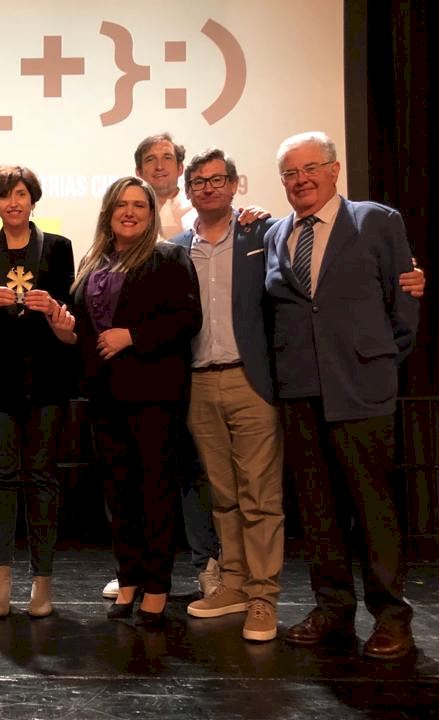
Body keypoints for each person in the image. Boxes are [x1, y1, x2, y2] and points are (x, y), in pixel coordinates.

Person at [265, 131, 419, 659]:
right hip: (300, 391)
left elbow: (404, 303)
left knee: (373, 508)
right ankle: (332, 609)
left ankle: (391, 616)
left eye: (310, 168)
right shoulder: (276, 233)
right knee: (318, 510)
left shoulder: (376, 221)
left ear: (334, 170)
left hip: (361, 387)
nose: (301, 180)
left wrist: (379, 363)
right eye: (290, 173)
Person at [71, 176, 202, 626]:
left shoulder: (169, 257)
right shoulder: (92, 262)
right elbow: (86, 329)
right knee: (118, 494)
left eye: (139, 206)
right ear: (108, 213)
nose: (129, 212)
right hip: (104, 397)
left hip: (154, 395)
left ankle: (157, 587)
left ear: (150, 214)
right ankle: (128, 578)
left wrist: (133, 336)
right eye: (120, 205)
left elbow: (188, 318)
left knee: (154, 492)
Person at [170, 149, 284, 642]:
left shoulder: (261, 234)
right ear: (188, 191)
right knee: (222, 496)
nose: (208, 188)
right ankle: (233, 584)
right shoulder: (177, 248)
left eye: (218, 179)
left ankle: (263, 596)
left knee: (260, 495)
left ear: (235, 185)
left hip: (249, 379)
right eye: (199, 181)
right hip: (198, 381)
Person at [0, 165, 78, 620]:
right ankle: (0, 583)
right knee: (0, 478)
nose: (14, 202)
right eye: (6, 195)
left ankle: (42, 583)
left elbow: (72, 313)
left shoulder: (59, 247)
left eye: (22, 194)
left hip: (46, 381)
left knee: (42, 478)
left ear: (33, 200)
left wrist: (55, 309)